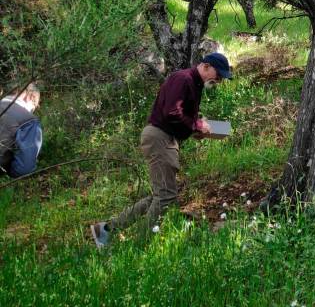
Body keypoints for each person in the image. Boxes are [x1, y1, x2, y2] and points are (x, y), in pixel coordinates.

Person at [89, 53, 232, 248]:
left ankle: (106, 229)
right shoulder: (184, 79)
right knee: (165, 197)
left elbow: (179, 117)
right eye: (219, 74)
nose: (220, 80)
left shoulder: (194, 84)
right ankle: (138, 246)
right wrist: (197, 125)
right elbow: (172, 112)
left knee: (161, 195)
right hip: (160, 137)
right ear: (206, 66)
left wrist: (196, 128)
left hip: (166, 139)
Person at [0, 83, 43, 178]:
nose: (31, 111)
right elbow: (24, 167)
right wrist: (8, 173)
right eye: (34, 106)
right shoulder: (29, 121)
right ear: (30, 97)